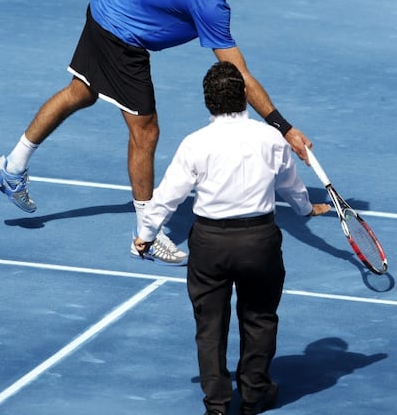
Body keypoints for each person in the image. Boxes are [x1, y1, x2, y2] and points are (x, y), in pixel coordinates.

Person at [0, 0, 311, 266]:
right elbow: (240, 76)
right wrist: (284, 129)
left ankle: (11, 167)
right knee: (146, 131)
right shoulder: (210, 4)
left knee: (80, 93)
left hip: (105, 6)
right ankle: (148, 234)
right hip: (123, 37)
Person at [134, 61, 330, 415]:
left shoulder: (195, 143)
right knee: (259, 317)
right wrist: (306, 210)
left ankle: (218, 404)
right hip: (259, 241)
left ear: (208, 101)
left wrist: (146, 235)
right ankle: (255, 393)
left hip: (210, 244)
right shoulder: (271, 138)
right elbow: (291, 187)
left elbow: (166, 197)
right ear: (243, 96)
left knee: (210, 325)